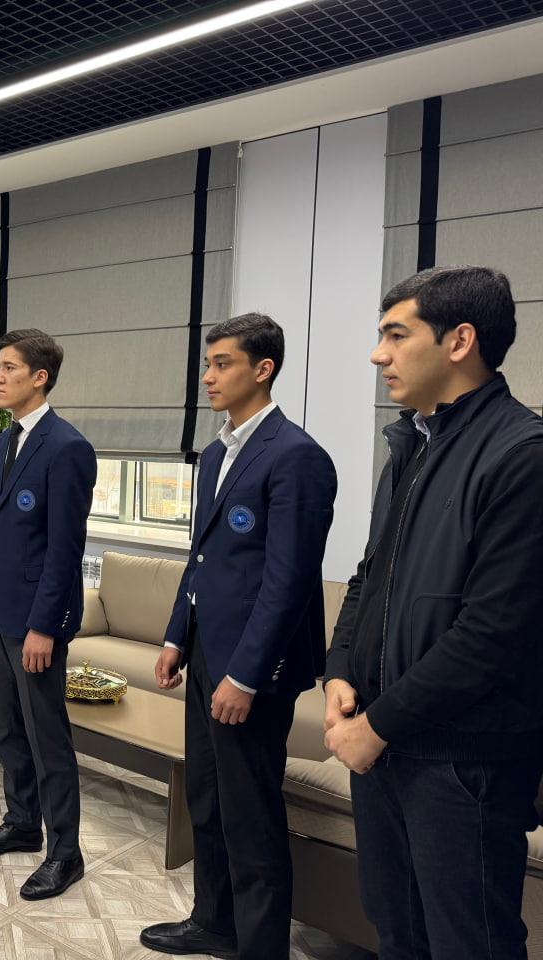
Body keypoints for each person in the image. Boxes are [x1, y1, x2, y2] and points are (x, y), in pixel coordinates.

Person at [323, 266, 543, 959]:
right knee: (397, 932)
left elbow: (493, 636)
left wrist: (375, 727)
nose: (377, 354)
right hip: (385, 749)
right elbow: (369, 578)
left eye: (396, 335)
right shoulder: (411, 448)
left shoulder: (522, 456)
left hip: (461, 763)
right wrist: (338, 670)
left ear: (460, 341)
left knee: (468, 944)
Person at [141, 313, 337, 959]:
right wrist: (176, 634)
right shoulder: (216, 454)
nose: (208, 376)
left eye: (222, 363)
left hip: (253, 670)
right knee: (206, 799)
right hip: (205, 653)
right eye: (208, 363)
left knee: (251, 816)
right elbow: (200, 557)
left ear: (263, 369)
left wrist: (246, 675)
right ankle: (214, 923)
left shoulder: (297, 457)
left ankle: (260, 947)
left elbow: (288, 582)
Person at [0, 328, 97, 901]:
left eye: (10, 367)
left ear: (40, 378)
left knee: (47, 737)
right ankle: (22, 822)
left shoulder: (67, 448)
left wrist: (45, 626)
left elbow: (65, 550)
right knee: (7, 726)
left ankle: (65, 853)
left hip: (37, 622)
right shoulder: (3, 443)